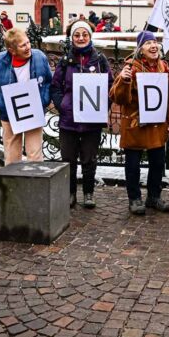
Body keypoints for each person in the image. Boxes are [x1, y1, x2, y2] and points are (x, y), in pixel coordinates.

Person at [110, 30, 169, 215]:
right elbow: (117, 98)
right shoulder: (130, 67)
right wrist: (124, 81)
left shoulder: (164, 67)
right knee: (133, 164)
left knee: (157, 163)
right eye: (148, 43)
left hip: (156, 124)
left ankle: (154, 196)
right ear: (140, 49)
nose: (153, 46)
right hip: (135, 124)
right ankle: (134, 198)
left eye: (155, 42)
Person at [51, 20, 113, 208]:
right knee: (68, 159)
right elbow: (55, 86)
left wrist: (103, 107)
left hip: (91, 120)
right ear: (72, 38)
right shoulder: (65, 60)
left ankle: (88, 192)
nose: (81, 38)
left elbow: (110, 86)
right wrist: (62, 105)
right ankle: (70, 193)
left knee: (89, 158)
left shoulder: (100, 59)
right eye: (77, 35)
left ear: (90, 37)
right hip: (69, 119)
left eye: (84, 35)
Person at [0, 27, 52, 164]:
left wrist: (43, 100)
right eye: (23, 45)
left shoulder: (39, 57)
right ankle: (13, 185)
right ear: (11, 50)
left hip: (33, 111)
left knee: (35, 156)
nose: (28, 47)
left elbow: (48, 80)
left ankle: (35, 184)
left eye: (28, 42)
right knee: (12, 157)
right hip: (10, 113)